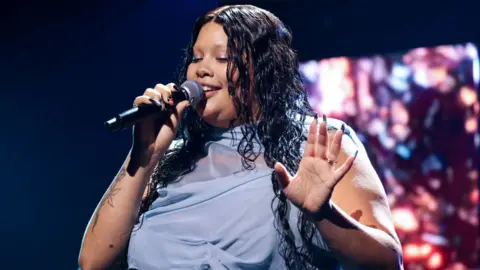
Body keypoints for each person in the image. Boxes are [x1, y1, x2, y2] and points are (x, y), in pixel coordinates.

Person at [79, 5, 403, 270]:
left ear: (263, 70)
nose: (201, 70)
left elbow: (387, 263)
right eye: (196, 57)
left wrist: (323, 213)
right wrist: (144, 154)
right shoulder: (168, 162)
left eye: (222, 58)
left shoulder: (318, 142)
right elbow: (93, 262)